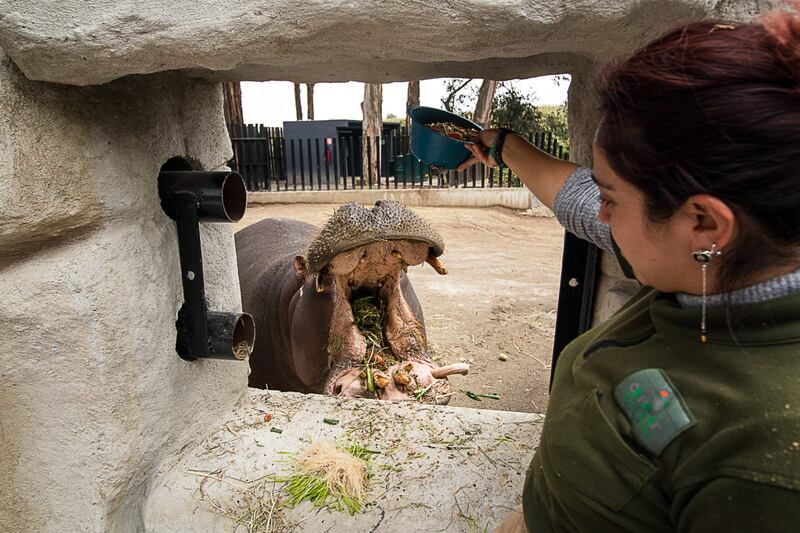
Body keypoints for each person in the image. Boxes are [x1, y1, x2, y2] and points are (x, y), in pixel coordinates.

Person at [458, 3, 800, 531]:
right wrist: (503, 147)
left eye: (611, 197)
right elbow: (578, 200)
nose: (600, 213)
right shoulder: (729, 261)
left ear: (705, 223)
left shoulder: (766, 472)